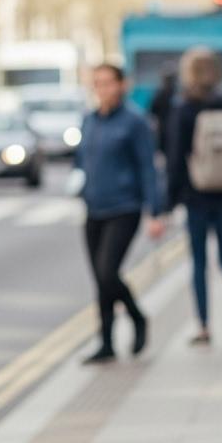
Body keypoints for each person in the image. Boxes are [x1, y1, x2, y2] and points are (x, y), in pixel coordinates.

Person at [75, 64, 166, 364]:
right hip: (94, 208)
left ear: (122, 85)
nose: (102, 89)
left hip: (124, 208)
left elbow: (147, 167)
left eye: (107, 83)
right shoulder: (89, 120)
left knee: (106, 271)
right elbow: (83, 161)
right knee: (100, 280)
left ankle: (138, 317)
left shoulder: (135, 122)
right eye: (97, 83)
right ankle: (106, 343)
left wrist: (154, 212)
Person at [165, 47, 222, 345]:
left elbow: (176, 158)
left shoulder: (184, 108)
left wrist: (171, 199)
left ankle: (204, 327)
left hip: (197, 195)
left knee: (200, 263)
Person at [149, 69, 178, 157]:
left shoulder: (176, 93)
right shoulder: (161, 93)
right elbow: (153, 111)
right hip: (164, 127)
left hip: (172, 127)